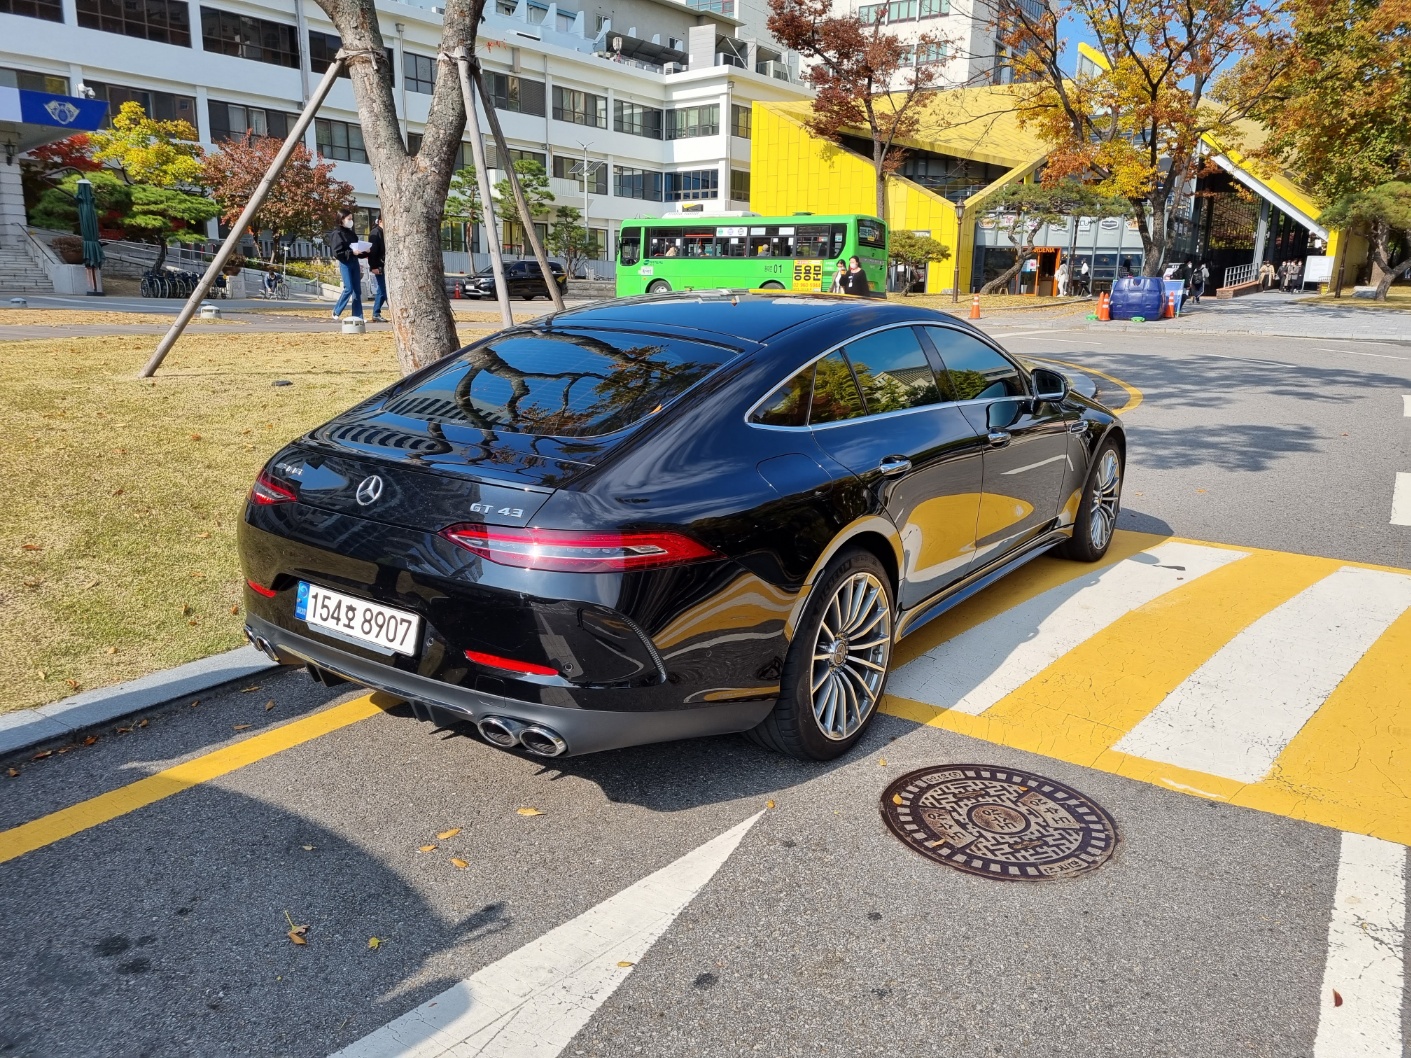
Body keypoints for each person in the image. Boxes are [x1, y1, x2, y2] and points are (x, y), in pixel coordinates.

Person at [330, 208, 369, 321]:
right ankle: (336, 310)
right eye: (349, 219)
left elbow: (357, 249)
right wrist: (351, 252)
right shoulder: (337, 234)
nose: (351, 221)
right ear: (341, 219)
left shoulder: (352, 234)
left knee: (357, 290)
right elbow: (337, 253)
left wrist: (365, 251)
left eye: (352, 219)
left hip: (354, 262)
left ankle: (358, 316)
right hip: (345, 263)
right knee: (348, 288)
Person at [368, 216, 387, 322]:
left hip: (383, 265)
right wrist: (373, 266)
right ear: (380, 221)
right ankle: (377, 313)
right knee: (384, 290)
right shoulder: (376, 233)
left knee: (382, 290)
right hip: (379, 265)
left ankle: (376, 313)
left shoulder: (383, 232)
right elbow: (373, 252)